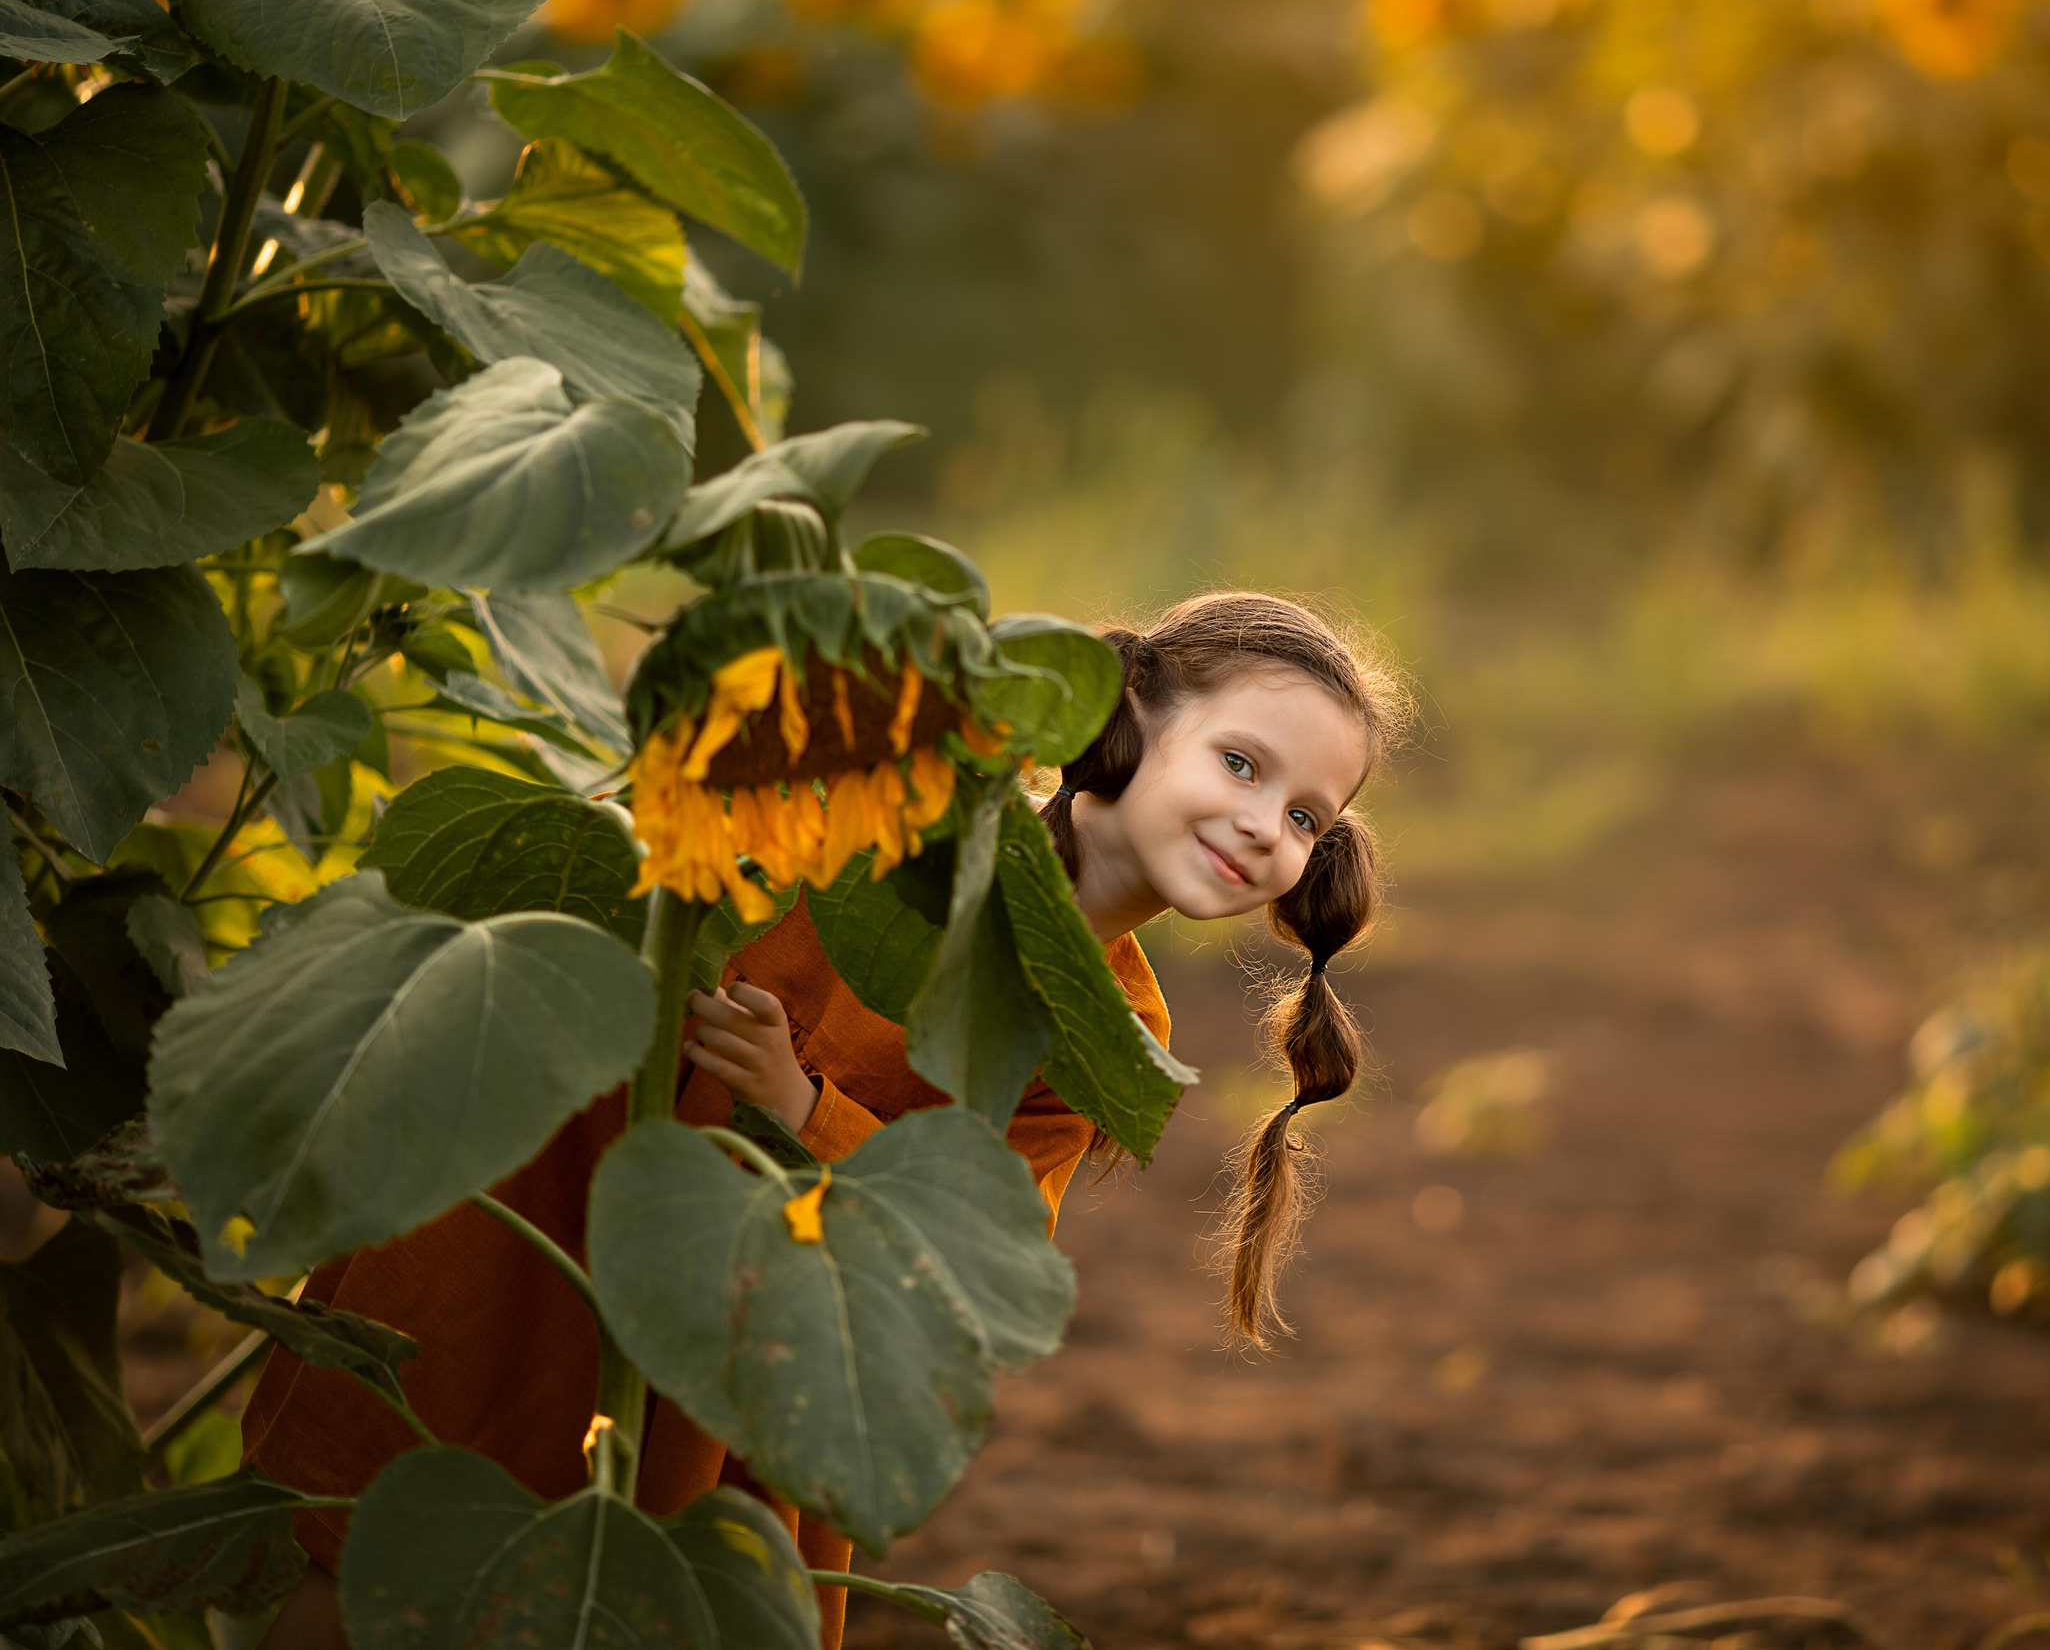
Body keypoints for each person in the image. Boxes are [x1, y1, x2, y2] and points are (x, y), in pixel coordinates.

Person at [248, 590, 1407, 1650]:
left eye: (1307, 816)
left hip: (741, 1357)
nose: (1267, 827)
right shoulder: (910, 816)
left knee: (650, 1597)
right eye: (1242, 765)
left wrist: (803, 1106)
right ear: (1126, 716)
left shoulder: (1110, 1031)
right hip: (545, 1215)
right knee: (373, 1545)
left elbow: (975, 1252)